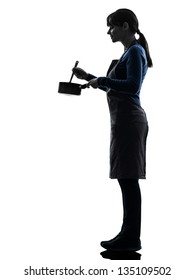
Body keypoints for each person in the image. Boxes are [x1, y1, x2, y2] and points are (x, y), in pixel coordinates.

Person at [73, 8, 152, 252]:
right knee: (125, 178)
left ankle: (130, 238)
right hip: (123, 122)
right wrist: (90, 77)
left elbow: (132, 86)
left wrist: (103, 80)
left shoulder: (135, 52)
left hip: (129, 121)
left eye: (112, 26)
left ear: (125, 26)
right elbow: (116, 87)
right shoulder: (130, 52)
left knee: (128, 179)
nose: (109, 31)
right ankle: (128, 235)